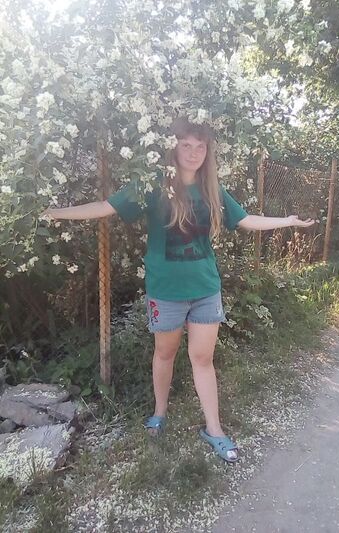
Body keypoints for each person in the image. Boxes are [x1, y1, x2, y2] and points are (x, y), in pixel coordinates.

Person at [43, 116, 315, 463]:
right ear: (174, 147)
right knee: (165, 354)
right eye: (186, 145)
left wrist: (287, 221)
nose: (193, 152)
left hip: (205, 289)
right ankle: (160, 413)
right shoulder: (154, 185)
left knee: (202, 359)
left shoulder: (212, 189)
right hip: (166, 291)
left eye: (200, 146)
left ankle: (214, 429)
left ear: (207, 151)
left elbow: (245, 219)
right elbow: (106, 207)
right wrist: (55, 213)